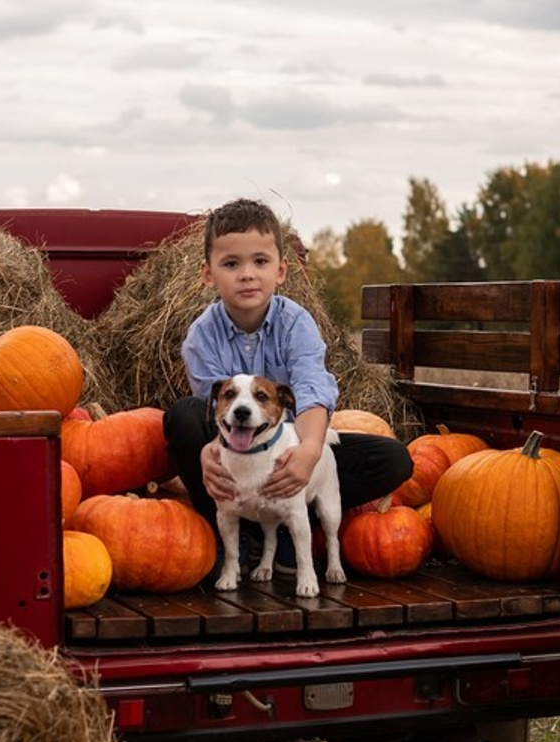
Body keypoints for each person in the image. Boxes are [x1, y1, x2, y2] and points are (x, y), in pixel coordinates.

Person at [163, 198, 412, 565]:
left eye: (260, 262)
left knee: (392, 460)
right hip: (233, 458)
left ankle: (286, 530)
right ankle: (223, 535)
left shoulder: (296, 324)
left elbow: (312, 391)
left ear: (281, 270)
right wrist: (209, 452)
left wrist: (309, 452)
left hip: (288, 452)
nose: (247, 274)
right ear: (207, 273)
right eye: (231, 264)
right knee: (183, 416)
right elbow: (213, 408)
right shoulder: (202, 335)